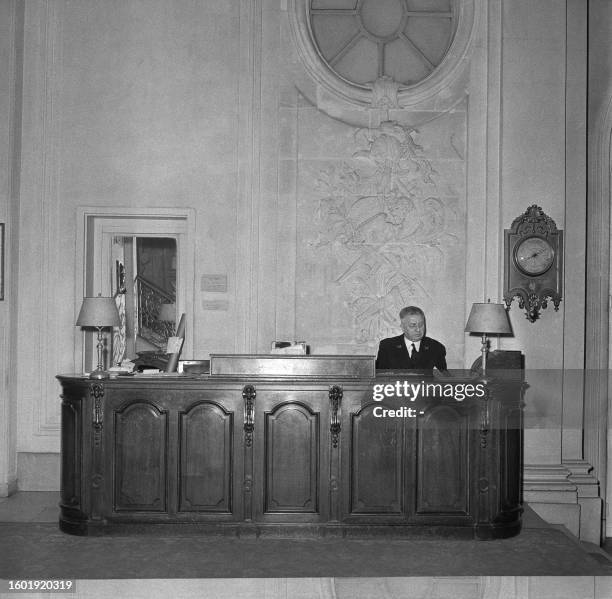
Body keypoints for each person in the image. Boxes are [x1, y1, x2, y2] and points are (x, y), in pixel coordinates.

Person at [375, 306, 447, 372]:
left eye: (421, 324)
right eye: (413, 325)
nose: (418, 329)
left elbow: (445, 377)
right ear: (402, 327)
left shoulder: (436, 347)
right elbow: (379, 376)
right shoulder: (387, 346)